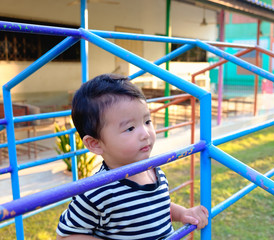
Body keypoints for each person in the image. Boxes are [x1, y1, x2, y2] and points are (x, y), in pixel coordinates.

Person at [56, 73, 208, 240]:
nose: (145, 133)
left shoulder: (155, 171)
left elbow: (157, 207)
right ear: (95, 144)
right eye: (130, 128)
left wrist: (184, 213)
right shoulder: (97, 190)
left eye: (147, 121)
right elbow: (66, 235)